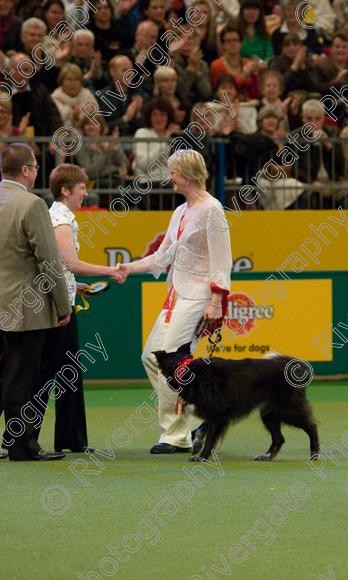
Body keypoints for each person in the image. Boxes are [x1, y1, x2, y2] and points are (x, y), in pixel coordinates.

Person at [118, 149, 232, 454]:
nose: (169, 177)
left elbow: (222, 259)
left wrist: (217, 301)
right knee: (150, 357)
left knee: (170, 358)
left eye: (173, 172)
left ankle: (175, 435)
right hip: (177, 295)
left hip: (198, 297)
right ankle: (198, 416)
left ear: (188, 173)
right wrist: (130, 267)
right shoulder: (180, 212)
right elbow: (163, 255)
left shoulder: (213, 209)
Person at [35, 163, 126, 453]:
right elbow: (70, 263)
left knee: (65, 371)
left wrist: (78, 287)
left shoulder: (56, 216)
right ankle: (25, 438)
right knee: (53, 373)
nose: (86, 193)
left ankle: (69, 440)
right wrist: (110, 270)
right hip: (58, 308)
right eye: (82, 188)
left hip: (63, 301)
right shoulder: (61, 219)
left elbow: (61, 268)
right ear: (65, 190)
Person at [0, 143, 71, 461]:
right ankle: (21, 444)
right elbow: (50, 261)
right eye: (36, 167)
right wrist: (63, 303)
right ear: (26, 170)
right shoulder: (32, 205)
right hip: (25, 308)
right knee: (21, 379)